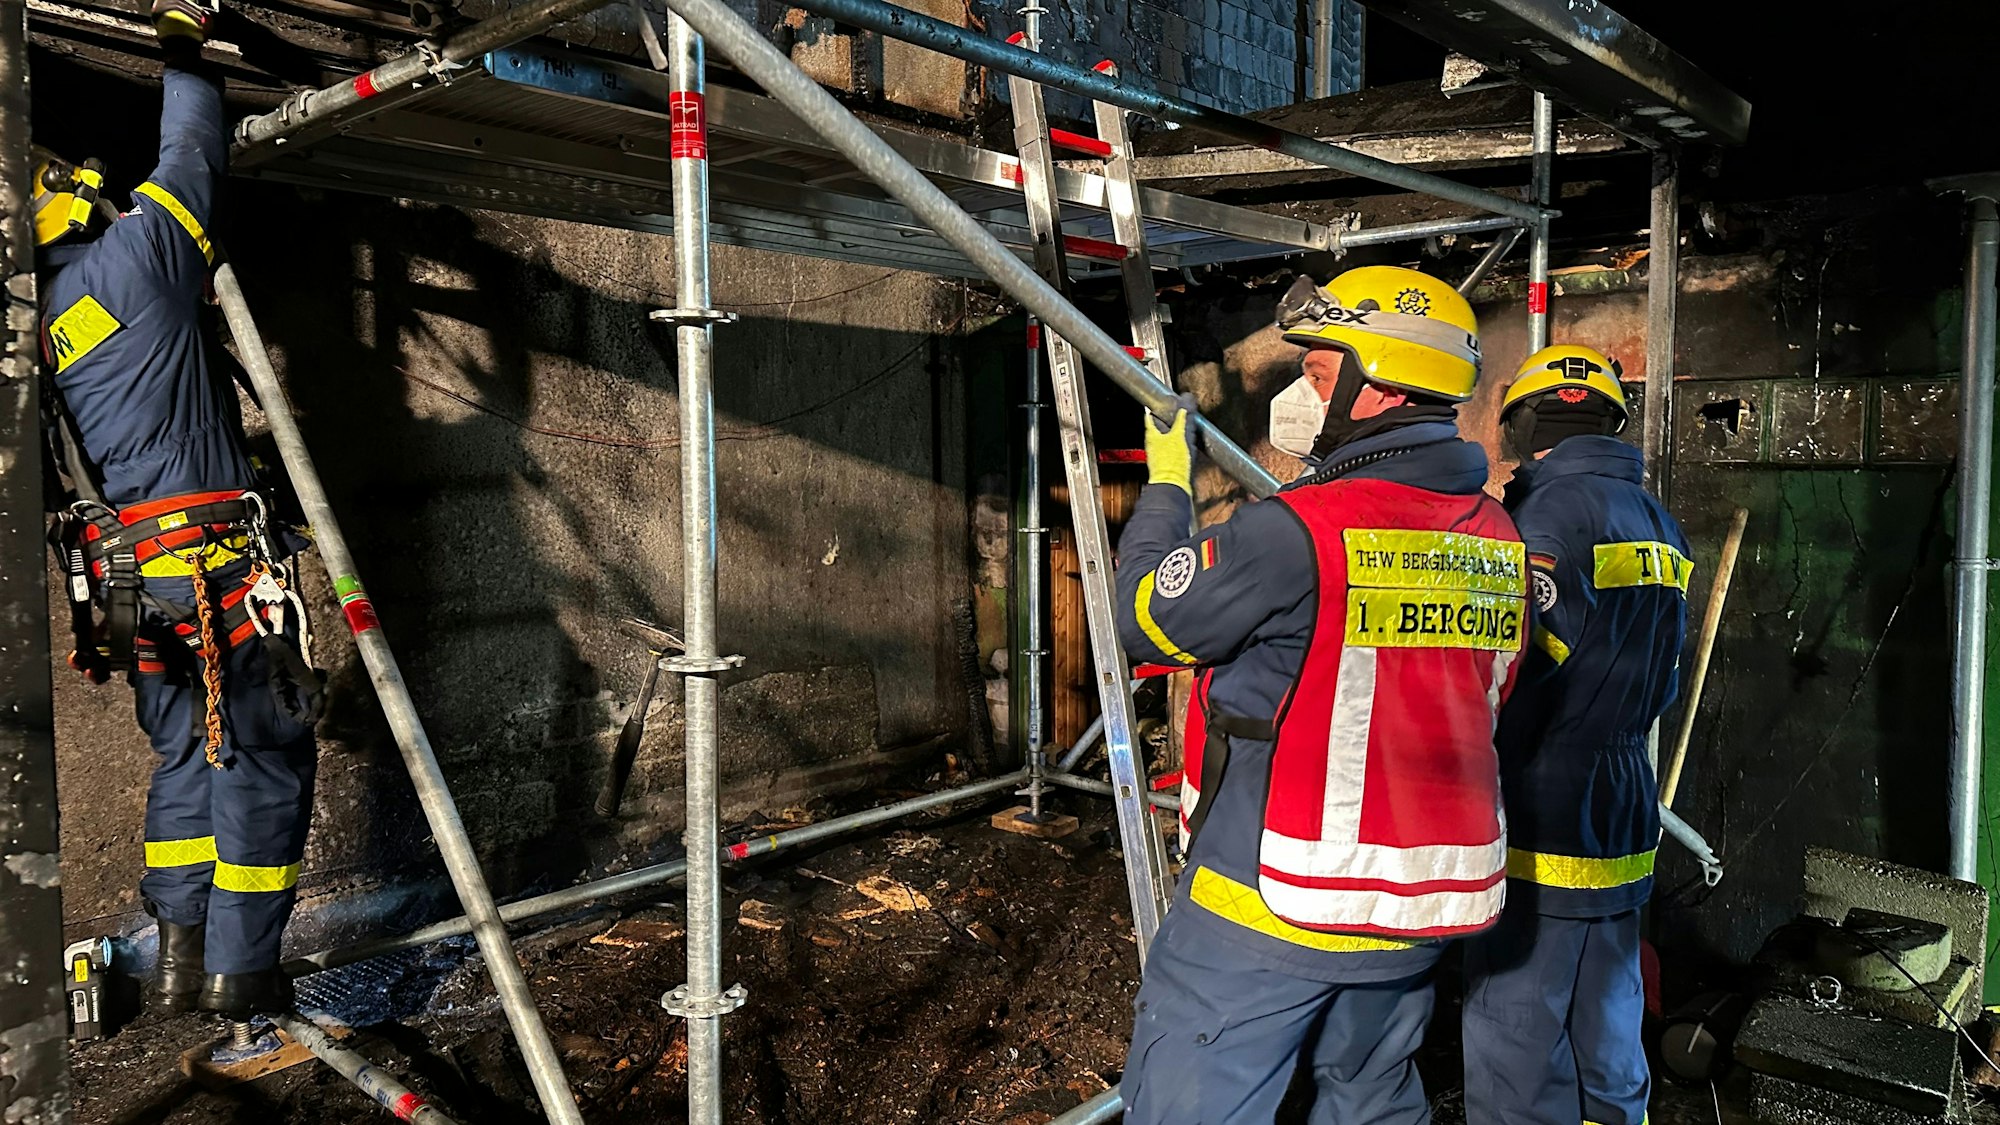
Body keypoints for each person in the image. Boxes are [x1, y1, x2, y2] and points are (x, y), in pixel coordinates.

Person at [1112, 265, 1528, 1124]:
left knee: (1193, 1103)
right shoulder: (1499, 536)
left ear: (1378, 385)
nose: (1301, 387)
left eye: (1320, 370)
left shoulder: (1298, 529)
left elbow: (1143, 621)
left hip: (1271, 903)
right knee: (1371, 1098)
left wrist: (1164, 487)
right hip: (1420, 905)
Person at [36, 0, 321, 1018]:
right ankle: (246, 974)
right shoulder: (137, 262)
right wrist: (180, 44)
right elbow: (196, 147)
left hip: (133, 580)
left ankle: (183, 960)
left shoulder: (44, 330)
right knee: (264, 757)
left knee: (186, 755)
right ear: (77, 202)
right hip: (210, 569)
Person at [1461, 345, 1691, 1125]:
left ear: (1521, 425)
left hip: (1543, 798)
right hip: (1625, 799)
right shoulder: (1657, 518)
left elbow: (1525, 659)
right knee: (1609, 1004)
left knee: (1517, 1023)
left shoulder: (1543, 517)